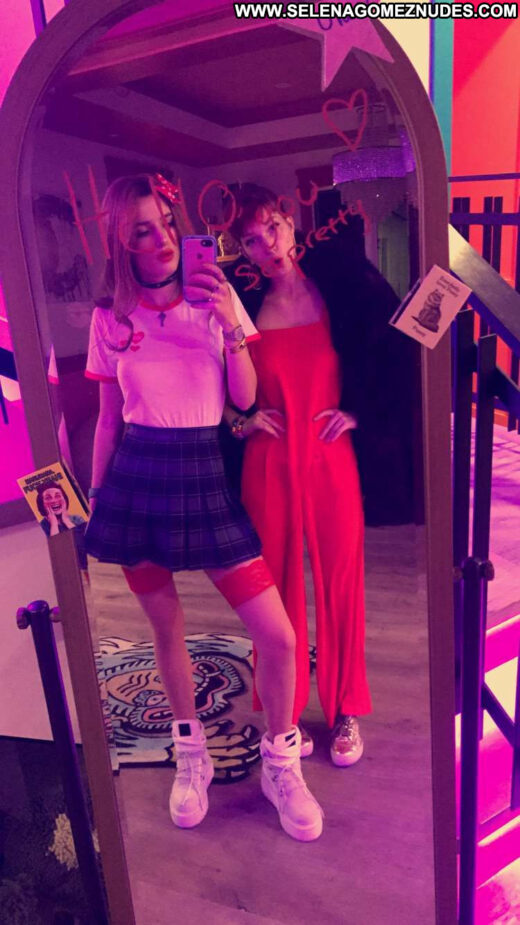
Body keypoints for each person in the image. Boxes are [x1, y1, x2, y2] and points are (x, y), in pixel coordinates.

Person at [83, 173, 323, 841]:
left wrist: (228, 327)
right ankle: (191, 752)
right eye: (142, 230)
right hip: (137, 481)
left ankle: (280, 761)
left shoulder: (216, 298)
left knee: (278, 635)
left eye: (167, 222)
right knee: (165, 629)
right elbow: (107, 419)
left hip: (204, 475)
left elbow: (243, 400)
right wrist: (94, 499)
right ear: (119, 242)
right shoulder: (109, 317)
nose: (162, 240)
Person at [223, 183, 411, 766]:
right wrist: (242, 421)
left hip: (330, 454)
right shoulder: (239, 303)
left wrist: (358, 412)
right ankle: (282, 712)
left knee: (341, 581)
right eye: (251, 241)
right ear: (241, 250)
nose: (267, 246)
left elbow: (392, 353)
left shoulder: (341, 288)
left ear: (291, 221)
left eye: (273, 228)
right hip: (269, 459)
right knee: (272, 588)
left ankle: (346, 708)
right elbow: (206, 380)